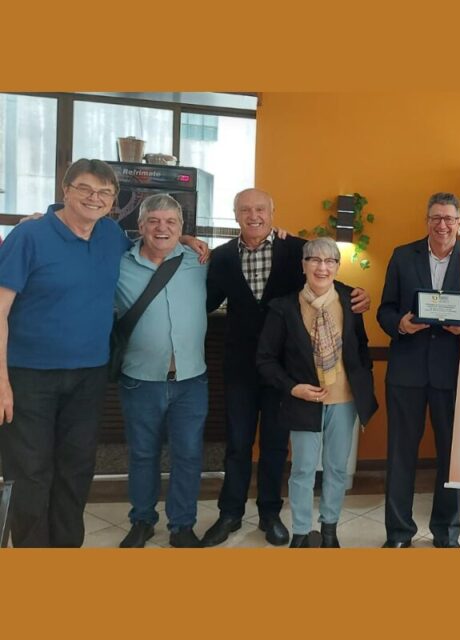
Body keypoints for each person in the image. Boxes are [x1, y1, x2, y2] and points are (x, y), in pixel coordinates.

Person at [0, 159, 206, 547]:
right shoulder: (28, 236)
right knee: (29, 471)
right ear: (65, 190)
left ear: (113, 201)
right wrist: (2, 382)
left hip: (89, 376)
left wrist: (187, 239)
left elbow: (153, 242)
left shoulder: (111, 236)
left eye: (105, 193)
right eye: (85, 189)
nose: (94, 198)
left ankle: (66, 549)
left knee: (77, 468)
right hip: (29, 375)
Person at [202, 188, 370, 547]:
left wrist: (356, 294)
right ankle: (230, 513)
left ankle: (269, 513)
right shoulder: (222, 257)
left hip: (285, 372)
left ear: (272, 213)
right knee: (237, 444)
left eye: (260, 209)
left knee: (276, 445)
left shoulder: (293, 248)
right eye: (245, 210)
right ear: (235, 215)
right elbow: (206, 301)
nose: (254, 216)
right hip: (241, 368)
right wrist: (189, 248)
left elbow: (322, 275)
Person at [257, 238, 378, 548]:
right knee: (303, 469)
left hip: (344, 400)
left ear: (337, 266)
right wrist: (292, 387)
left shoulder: (351, 300)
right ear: (303, 265)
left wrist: (363, 380)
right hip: (304, 401)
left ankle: (329, 530)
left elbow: (361, 345)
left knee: (336, 468)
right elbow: (265, 359)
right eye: (314, 260)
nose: (322, 267)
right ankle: (300, 532)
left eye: (329, 261)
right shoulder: (284, 307)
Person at [115, 194, 208, 548]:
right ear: (140, 226)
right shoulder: (119, 263)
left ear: (182, 228)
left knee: (188, 455)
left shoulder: (199, 261)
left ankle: (182, 525)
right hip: (140, 380)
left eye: (171, 222)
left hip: (191, 380)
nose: (162, 228)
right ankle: (142, 520)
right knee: (142, 453)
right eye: (153, 220)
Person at [376, 192, 460, 548]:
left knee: (452, 458)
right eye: (435, 218)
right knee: (400, 456)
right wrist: (400, 324)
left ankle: (446, 532)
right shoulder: (402, 256)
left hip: (454, 374)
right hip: (407, 372)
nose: (442, 225)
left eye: (449, 218)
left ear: (459, 222)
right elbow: (384, 310)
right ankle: (399, 533)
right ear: (427, 221)